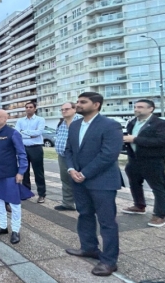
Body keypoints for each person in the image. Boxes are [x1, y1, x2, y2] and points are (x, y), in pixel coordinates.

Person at [64, 92, 123, 277]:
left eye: (83, 102)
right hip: (78, 180)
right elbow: (68, 150)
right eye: (78, 101)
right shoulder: (74, 125)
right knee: (84, 214)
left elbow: (108, 155)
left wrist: (85, 173)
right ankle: (89, 248)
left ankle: (109, 261)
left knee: (107, 222)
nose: (78, 104)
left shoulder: (110, 125)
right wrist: (71, 169)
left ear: (96, 105)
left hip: (102, 181)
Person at [0, 109, 32, 244]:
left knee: (14, 203)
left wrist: (21, 172)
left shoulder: (13, 133)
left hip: (10, 174)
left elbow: (22, 154)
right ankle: (3, 226)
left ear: (6, 118)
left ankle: (15, 230)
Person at [122, 99, 165, 227]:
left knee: (158, 187)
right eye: (136, 107)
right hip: (134, 160)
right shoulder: (132, 122)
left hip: (153, 161)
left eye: (141, 107)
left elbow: (161, 142)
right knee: (134, 184)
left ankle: (160, 215)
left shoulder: (160, 124)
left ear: (151, 109)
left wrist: (135, 139)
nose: (137, 109)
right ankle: (139, 205)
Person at [15, 101, 47, 203]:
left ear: (35, 108)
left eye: (30, 107)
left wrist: (23, 132)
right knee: (24, 171)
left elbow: (39, 132)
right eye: (27, 107)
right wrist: (30, 134)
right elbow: (16, 133)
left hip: (36, 148)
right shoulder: (20, 121)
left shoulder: (40, 120)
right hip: (23, 148)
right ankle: (26, 192)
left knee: (39, 172)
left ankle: (41, 194)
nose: (28, 109)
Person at [54, 102, 81, 211]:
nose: (64, 111)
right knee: (65, 179)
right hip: (62, 155)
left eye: (67, 109)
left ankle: (81, 203)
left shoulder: (80, 121)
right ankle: (67, 203)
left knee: (78, 179)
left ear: (74, 109)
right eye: (62, 109)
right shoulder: (62, 122)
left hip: (76, 156)